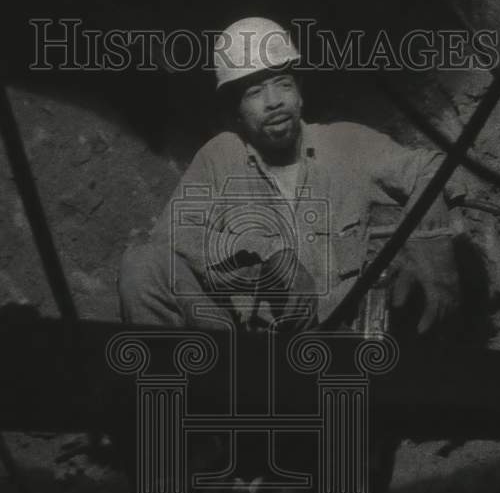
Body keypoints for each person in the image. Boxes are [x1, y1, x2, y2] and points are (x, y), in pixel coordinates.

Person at [119, 17, 462, 334]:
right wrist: (267, 254)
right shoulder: (221, 157)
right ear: (236, 113)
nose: (273, 102)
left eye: (282, 84)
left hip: (333, 342)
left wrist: (431, 245)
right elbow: (171, 236)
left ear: (299, 91)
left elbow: (436, 169)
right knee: (143, 264)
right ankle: (181, 392)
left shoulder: (347, 144)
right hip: (245, 345)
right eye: (254, 93)